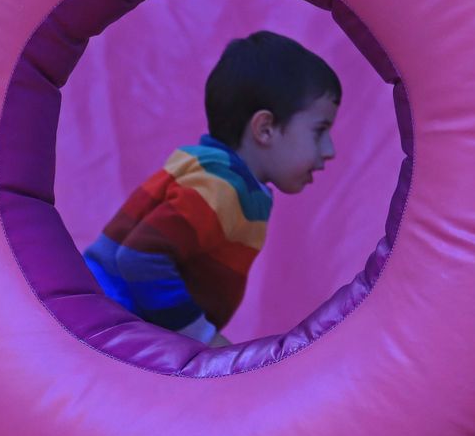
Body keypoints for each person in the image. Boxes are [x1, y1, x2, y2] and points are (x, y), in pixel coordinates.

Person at [81, 30, 339, 345]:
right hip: (102, 325)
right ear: (265, 128)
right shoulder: (220, 187)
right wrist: (201, 338)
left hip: (106, 320)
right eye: (319, 131)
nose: (329, 150)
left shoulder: (220, 174)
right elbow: (139, 257)